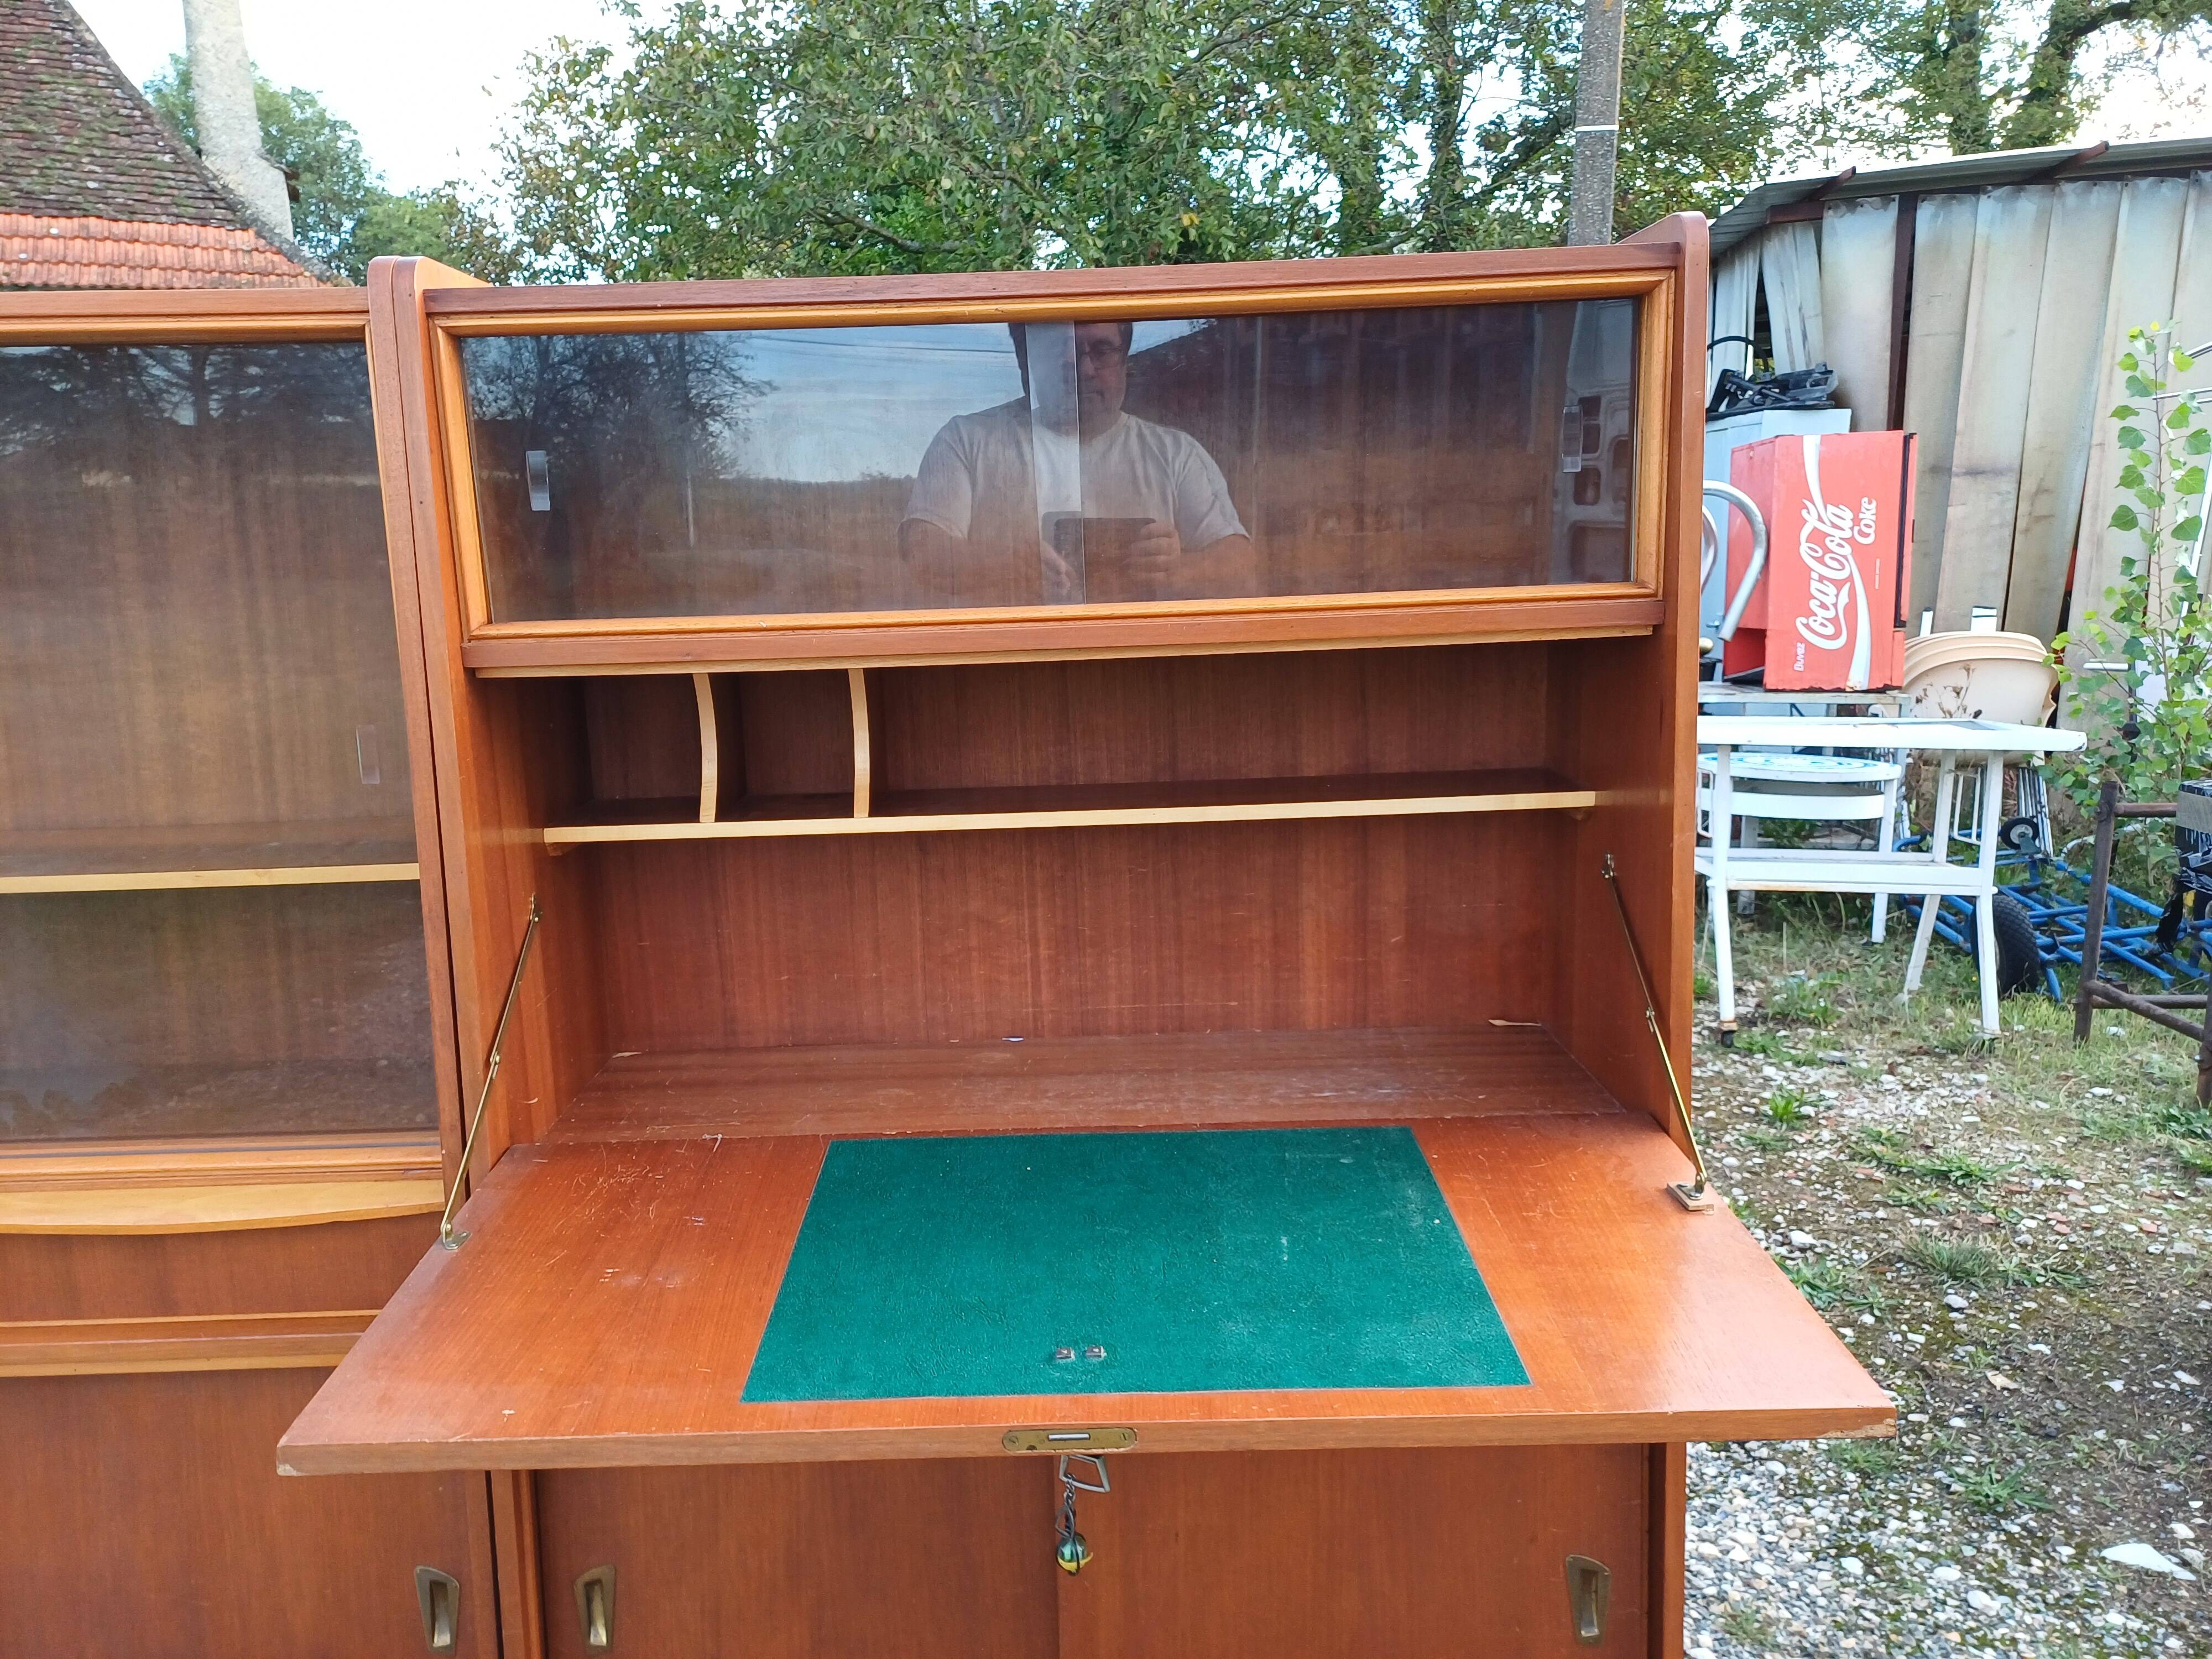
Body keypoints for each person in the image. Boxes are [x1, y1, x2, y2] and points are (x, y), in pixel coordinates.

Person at [900, 320, 1256, 604]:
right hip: (1010, 663)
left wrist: (1178, 569)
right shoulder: (967, 438)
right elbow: (923, 553)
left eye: (1102, 351)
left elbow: (1239, 564)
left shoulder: (1176, 453)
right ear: (1028, 364)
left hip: (1140, 660)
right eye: (1063, 352)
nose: (1084, 369)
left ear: (1125, 363)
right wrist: (1004, 567)